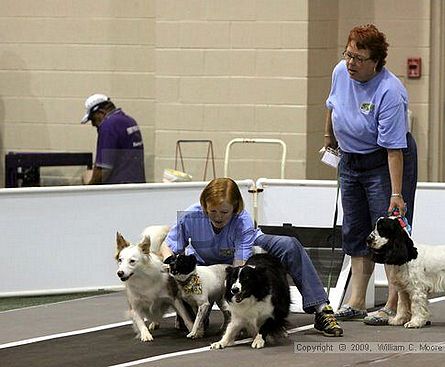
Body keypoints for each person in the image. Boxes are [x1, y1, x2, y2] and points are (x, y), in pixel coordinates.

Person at [158, 177, 343, 337]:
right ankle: (193, 311)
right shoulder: (190, 215)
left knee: (289, 245)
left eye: (224, 212)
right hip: (204, 268)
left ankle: (321, 309)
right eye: (212, 211)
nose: (218, 217)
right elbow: (167, 246)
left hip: (237, 262)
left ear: (235, 208)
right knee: (192, 326)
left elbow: (239, 267)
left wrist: (234, 300)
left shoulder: (243, 220)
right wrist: (172, 266)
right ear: (204, 206)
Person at [323, 24, 418, 325]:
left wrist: (396, 193)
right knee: (355, 229)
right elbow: (332, 105)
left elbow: (393, 150)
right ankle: (357, 301)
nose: (351, 63)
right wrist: (329, 137)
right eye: (348, 54)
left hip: (385, 160)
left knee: (388, 232)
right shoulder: (341, 71)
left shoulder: (390, 91)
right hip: (350, 160)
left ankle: (393, 304)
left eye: (358, 58)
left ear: (375, 61)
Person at [80, 93, 146, 184]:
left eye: (93, 119)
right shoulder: (130, 121)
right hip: (135, 185)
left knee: (86, 176)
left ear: (101, 113)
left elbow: (104, 169)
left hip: (117, 190)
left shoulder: (108, 126)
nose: (93, 124)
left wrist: (89, 189)